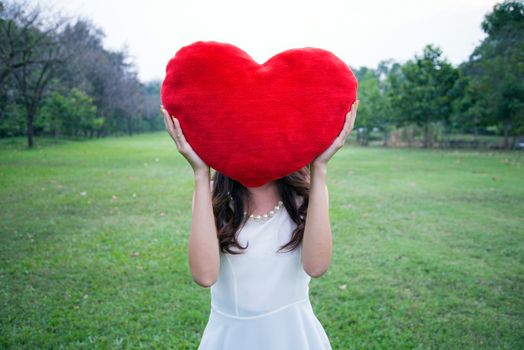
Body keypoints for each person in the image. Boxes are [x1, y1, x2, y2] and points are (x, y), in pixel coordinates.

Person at [160, 100, 358, 349]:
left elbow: (316, 267)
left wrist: (319, 167)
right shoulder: (213, 194)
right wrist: (200, 173)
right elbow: (204, 275)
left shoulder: (305, 193)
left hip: (294, 336)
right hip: (231, 338)